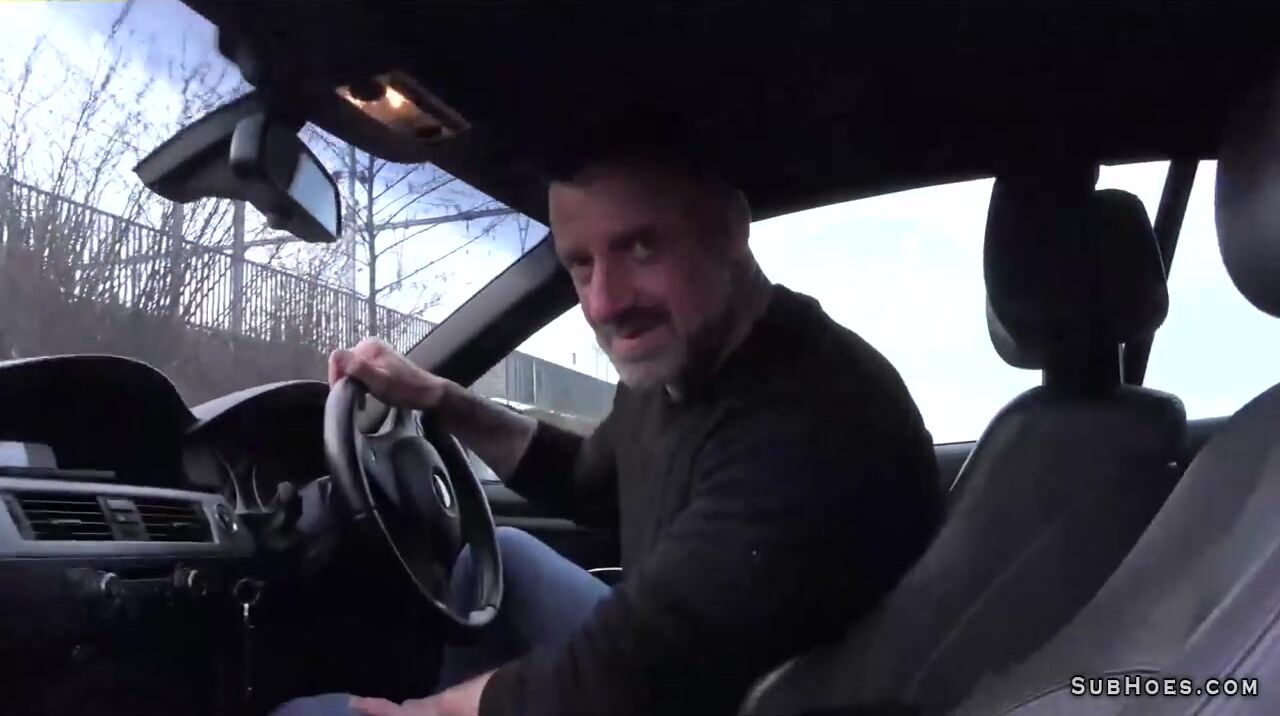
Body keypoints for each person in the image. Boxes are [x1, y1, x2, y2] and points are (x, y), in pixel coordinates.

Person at [276, 133, 943, 716]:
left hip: (725, 698)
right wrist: (442, 399)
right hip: (700, 671)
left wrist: (426, 713)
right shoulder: (684, 368)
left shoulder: (810, 422)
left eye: (642, 247)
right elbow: (588, 481)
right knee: (504, 559)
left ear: (732, 228)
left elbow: (635, 668)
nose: (603, 303)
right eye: (581, 264)